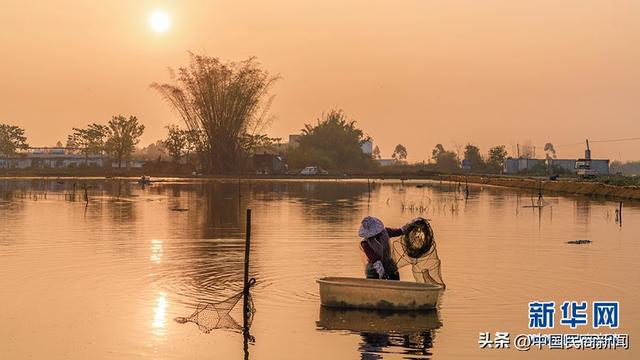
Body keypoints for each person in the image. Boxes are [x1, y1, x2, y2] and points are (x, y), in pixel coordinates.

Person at [358, 216, 408, 280]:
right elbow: (374, 258)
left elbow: (399, 231)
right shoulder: (365, 243)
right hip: (374, 269)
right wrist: (381, 273)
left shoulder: (385, 232)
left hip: (388, 265)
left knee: (394, 280)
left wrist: (410, 225)